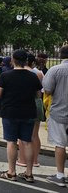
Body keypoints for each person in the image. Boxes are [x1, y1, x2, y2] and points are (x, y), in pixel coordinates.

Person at [0, 50, 41, 182]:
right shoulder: (33, 76)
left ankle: (11, 171)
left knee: (11, 142)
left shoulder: (5, 76)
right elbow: (38, 95)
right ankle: (29, 173)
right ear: (26, 61)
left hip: (10, 112)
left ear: (12, 60)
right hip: (28, 112)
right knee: (27, 142)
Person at [43, 45, 68, 187]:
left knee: (60, 144)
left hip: (59, 112)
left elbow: (47, 89)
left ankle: (60, 176)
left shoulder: (55, 70)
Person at [17, 53, 45, 168]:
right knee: (35, 135)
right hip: (37, 103)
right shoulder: (38, 73)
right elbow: (41, 91)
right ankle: (35, 160)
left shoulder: (19, 72)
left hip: (23, 104)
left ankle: (22, 159)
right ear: (33, 62)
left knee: (22, 135)